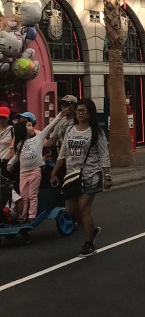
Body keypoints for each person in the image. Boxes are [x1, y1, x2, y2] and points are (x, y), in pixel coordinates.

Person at [50, 99, 111, 257]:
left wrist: (107, 175)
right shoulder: (70, 130)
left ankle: (89, 244)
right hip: (72, 175)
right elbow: (63, 153)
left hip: (91, 174)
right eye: (78, 110)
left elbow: (104, 155)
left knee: (84, 207)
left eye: (84, 110)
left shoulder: (96, 132)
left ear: (90, 113)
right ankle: (91, 230)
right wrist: (54, 173)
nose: (80, 113)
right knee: (75, 211)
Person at [8, 110, 63, 223]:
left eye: (31, 124)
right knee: (24, 196)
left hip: (35, 171)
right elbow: (16, 156)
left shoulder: (38, 138)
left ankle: (32, 215)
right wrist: (10, 163)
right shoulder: (20, 144)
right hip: (23, 173)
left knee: (33, 195)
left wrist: (60, 115)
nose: (31, 127)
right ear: (22, 129)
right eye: (28, 126)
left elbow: (50, 126)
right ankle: (23, 215)